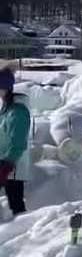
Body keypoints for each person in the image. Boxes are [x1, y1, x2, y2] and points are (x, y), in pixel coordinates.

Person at [0, 67, 31, 216]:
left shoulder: (17, 111)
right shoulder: (6, 108)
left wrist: (7, 165)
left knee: (16, 203)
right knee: (15, 202)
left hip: (12, 166)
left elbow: (18, 141)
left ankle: (22, 230)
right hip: (5, 162)